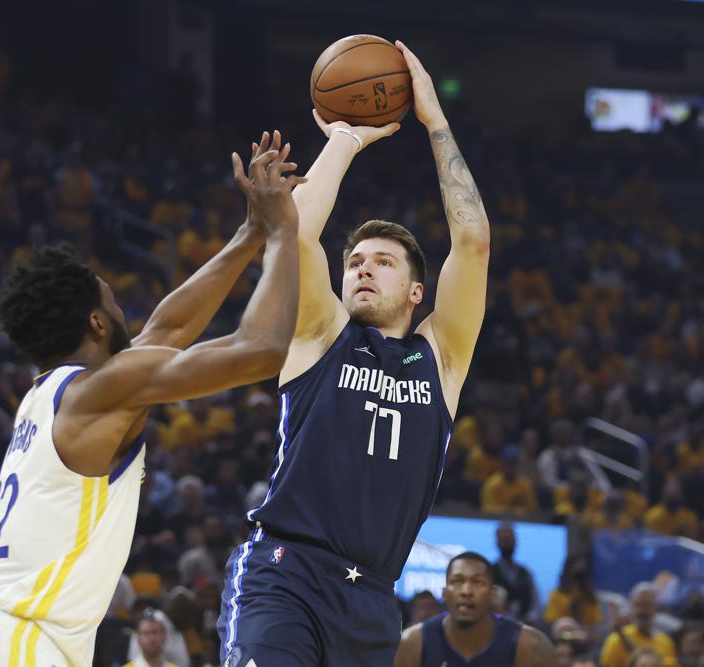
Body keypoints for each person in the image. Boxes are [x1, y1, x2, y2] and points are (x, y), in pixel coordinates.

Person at [0, 135, 304, 667]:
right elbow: (262, 349)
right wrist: (284, 233)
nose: (124, 313)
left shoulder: (50, 397)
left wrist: (250, 231)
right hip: (21, 647)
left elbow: (168, 329)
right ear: (96, 322)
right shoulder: (96, 393)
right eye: (113, 301)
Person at [218, 42, 491, 667]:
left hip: (371, 601)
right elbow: (292, 234)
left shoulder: (440, 358)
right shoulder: (320, 334)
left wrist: (434, 121)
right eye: (356, 262)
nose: (364, 269)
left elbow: (473, 241)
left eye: (384, 262)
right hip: (285, 574)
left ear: (418, 292)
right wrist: (344, 137)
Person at [394, 552, 557, 666]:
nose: (466, 591)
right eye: (457, 581)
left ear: (493, 594)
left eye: (477, 582)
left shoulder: (530, 645)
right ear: (444, 593)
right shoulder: (412, 643)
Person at [599, 583, 676, 667]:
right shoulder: (616, 641)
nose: (642, 610)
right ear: (631, 608)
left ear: (656, 607)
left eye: (647, 605)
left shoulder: (666, 643)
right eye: (638, 605)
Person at [492, 522, 538, 622]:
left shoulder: (526, 573)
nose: (507, 544)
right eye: (504, 540)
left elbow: (535, 604)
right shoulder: (489, 572)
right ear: (497, 542)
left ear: (515, 542)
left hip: (524, 625)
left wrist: (527, 619)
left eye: (510, 539)